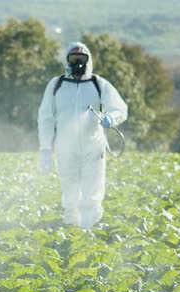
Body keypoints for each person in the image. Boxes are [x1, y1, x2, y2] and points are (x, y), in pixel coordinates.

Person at [37, 41, 128, 230]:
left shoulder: (98, 84)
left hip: (93, 148)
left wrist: (110, 117)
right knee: (70, 192)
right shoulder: (57, 85)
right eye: (73, 57)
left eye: (82, 58)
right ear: (66, 60)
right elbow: (46, 118)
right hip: (65, 148)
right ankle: (72, 230)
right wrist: (45, 148)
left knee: (92, 191)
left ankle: (90, 229)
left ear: (89, 60)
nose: (78, 62)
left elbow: (120, 108)